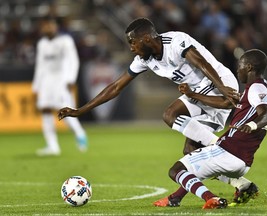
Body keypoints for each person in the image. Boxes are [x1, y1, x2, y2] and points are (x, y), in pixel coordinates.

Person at [57, 18, 253, 197]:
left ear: (147, 39)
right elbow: (115, 87)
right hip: (199, 91)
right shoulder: (144, 59)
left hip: (218, 82)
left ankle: (221, 147)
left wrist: (224, 89)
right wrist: (81, 110)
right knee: (190, 152)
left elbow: (201, 63)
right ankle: (241, 183)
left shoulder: (176, 42)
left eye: (133, 42)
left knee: (170, 114)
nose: (132, 48)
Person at [154, 49, 267, 209]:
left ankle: (212, 198)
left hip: (229, 152)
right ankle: (175, 198)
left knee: (176, 171)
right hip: (240, 159)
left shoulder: (257, 88)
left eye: (240, 66)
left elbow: (265, 115)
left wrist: (251, 125)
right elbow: (226, 103)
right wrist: (193, 95)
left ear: (249, 67)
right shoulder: (254, 89)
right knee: (191, 162)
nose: (238, 70)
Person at [32, 17, 87, 156]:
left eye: (49, 25)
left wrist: (71, 79)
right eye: (44, 26)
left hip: (61, 80)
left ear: (55, 26)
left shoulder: (65, 41)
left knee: (65, 111)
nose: (47, 28)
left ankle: (80, 134)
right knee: (45, 110)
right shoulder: (42, 43)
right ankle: (52, 146)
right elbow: (40, 66)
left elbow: (73, 60)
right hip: (46, 81)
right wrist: (36, 86)